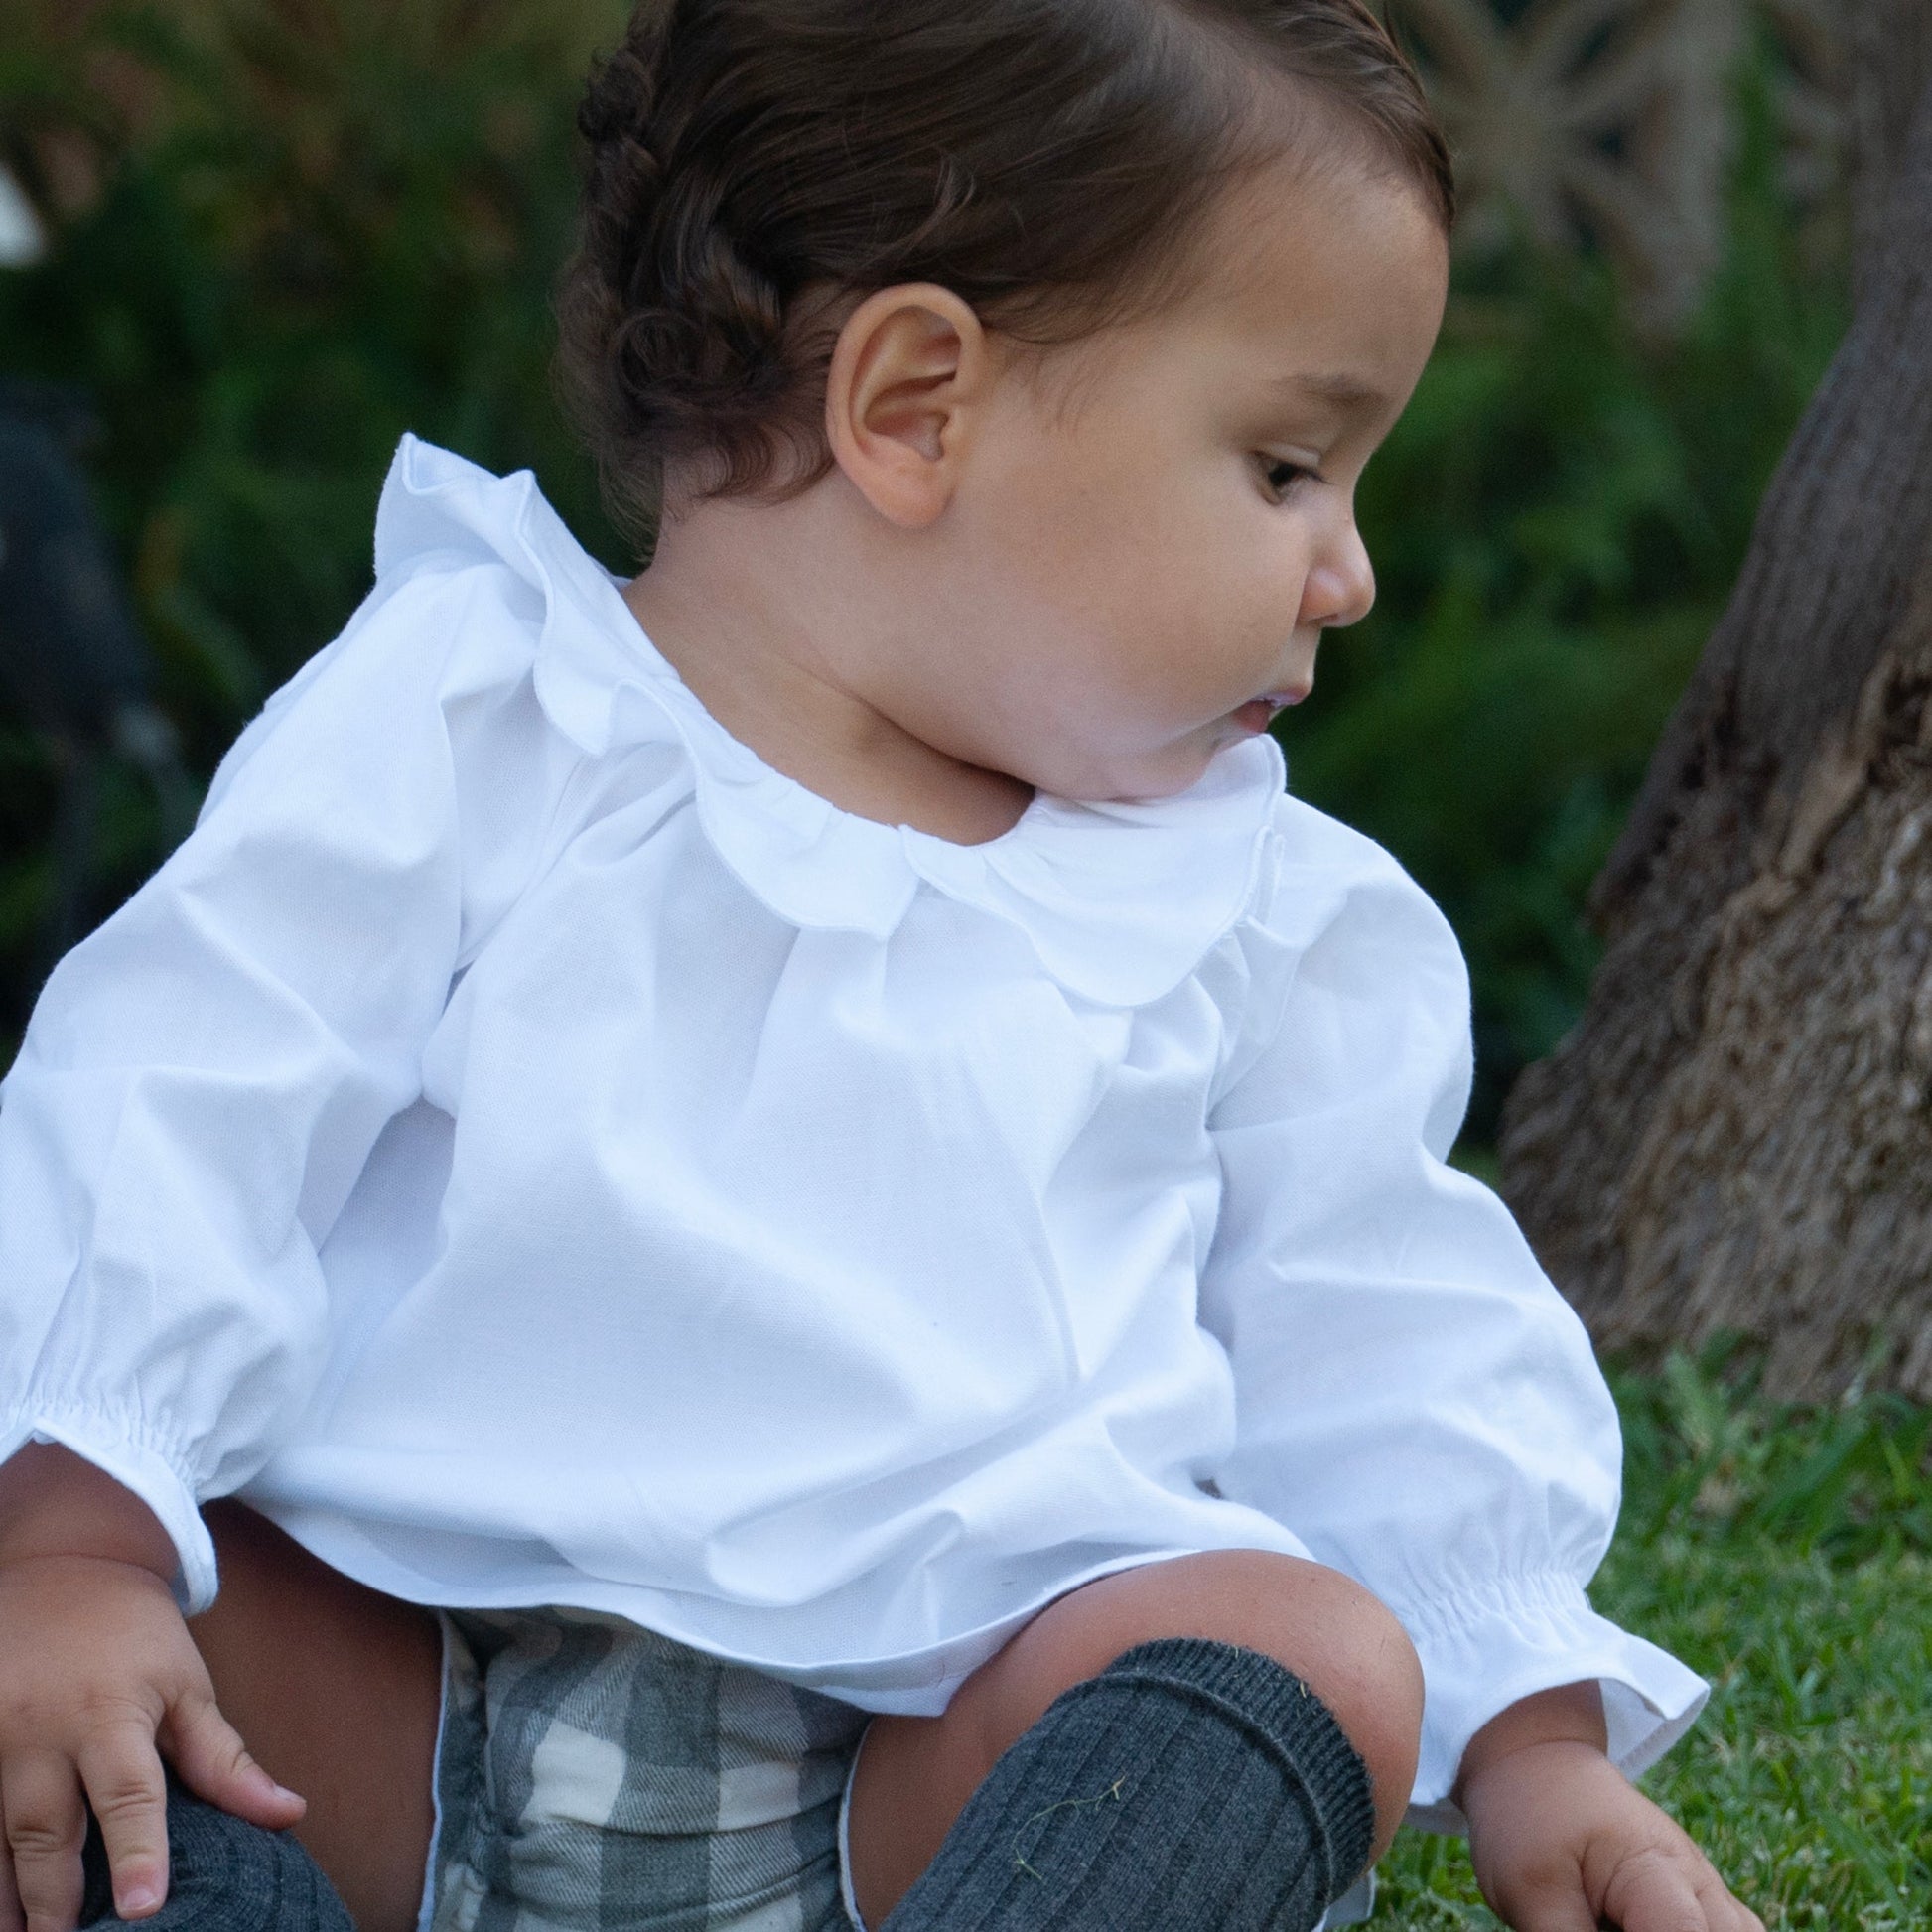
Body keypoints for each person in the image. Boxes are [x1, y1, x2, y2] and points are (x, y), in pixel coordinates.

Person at [0, 4, 1761, 1931]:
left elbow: (1382, 1315)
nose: (1344, 569)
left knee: (1309, 1648)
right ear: (914, 403)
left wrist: (1534, 1735)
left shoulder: (1248, 902)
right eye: (1285, 466)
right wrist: (79, 1536)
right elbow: (186, 1081)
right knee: (73, 1637)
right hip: (369, 1717)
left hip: (914, 1806)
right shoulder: (474, 716)